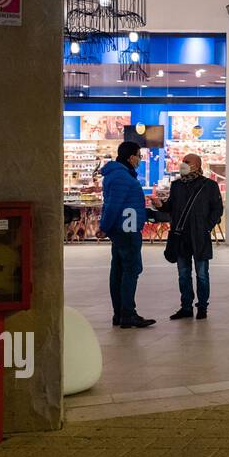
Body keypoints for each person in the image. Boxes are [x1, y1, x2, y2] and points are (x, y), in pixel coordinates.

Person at [155, 153, 225, 320]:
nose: (183, 164)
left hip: (199, 237)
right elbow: (171, 207)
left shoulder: (209, 186)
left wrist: (206, 227)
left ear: (197, 165)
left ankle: (202, 307)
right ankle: (186, 307)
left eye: (187, 162)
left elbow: (217, 210)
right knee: (183, 273)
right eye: (183, 161)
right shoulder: (177, 185)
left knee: (202, 274)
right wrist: (161, 205)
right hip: (180, 237)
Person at [99, 141, 156, 329]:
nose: (140, 159)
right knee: (131, 270)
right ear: (131, 157)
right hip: (127, 229)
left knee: (118, 270)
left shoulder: (117, 174)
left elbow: (112, 204)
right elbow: (113, 205)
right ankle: (128, 313)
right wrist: (104, 227)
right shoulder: (122, 177)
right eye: (138, 155)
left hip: (122, 229)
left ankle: (120, 313)